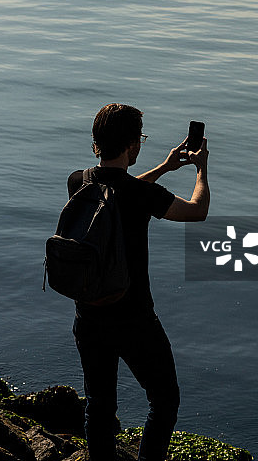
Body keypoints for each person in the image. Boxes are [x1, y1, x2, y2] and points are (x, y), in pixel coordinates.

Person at [68, 103, 210, 461]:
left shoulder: (78, 182)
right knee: (164, 399)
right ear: (133, 145)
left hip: (88, 315)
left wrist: (164, 167)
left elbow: (117, 189)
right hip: (134, 319)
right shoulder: (141, 197)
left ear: (97, 142)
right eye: (140, 139)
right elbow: (197, 210)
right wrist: (200, 170)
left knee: (99, 404)